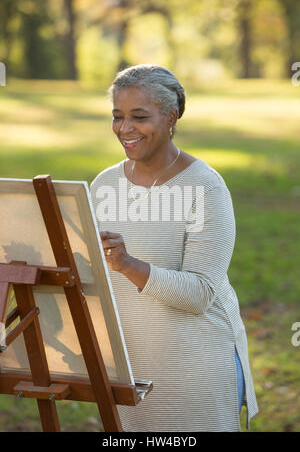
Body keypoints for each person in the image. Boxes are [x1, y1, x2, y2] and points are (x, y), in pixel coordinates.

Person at [90, 64, 258, 432]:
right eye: (117, 116)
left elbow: (200, 293)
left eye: (139, 116)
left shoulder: (205, 187)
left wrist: (129, 265)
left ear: (171, 116)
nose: (125, 128)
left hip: (195, 369)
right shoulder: (104, 184)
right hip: (129, 368)